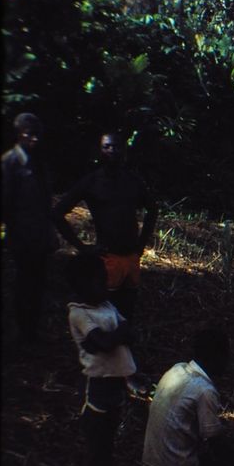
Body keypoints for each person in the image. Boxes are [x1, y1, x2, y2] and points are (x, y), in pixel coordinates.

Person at [52, 130, 158, 322]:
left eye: (116, 146)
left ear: (124, 150)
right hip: (107, 258)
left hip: (131, 256)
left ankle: (125, 350)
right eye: (107, 146)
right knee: (107, 313)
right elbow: (58, 213)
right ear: (99, 151)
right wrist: (83, 247)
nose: (112, 151)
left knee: (128, 311)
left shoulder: (132, 180)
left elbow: (153, 209)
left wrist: (141, 244)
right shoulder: (91, 182)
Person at [66, 252, 136, 466]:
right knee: (97, 452)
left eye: (104, 280)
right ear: (81, 285)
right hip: (97, 390)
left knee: (107, 450)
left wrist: (114, 337)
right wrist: (116, 337)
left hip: (115, 386)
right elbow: (103, 342)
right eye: (97, 282)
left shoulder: (106, 305)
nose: (104, 286)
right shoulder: (79, 313)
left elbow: (122, 332)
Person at [142, 327, 234, 466]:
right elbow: (214, 441)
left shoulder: (177, 369)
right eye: (226, 356)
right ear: (216, 357)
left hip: (151, 460)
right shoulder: (205, 390)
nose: (228, 363)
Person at [1, 112, 59, 342]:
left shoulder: (38, 162)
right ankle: (23, 333)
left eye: (38, 135)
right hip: (21, 236)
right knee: (23, 283)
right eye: (30, 135)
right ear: (19, 135)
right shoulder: (10, 162)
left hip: (39, 234)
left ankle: (32, 331)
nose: (35, 140)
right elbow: (6, 203)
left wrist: (50, 232)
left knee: (38, 283)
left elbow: (46, 203)